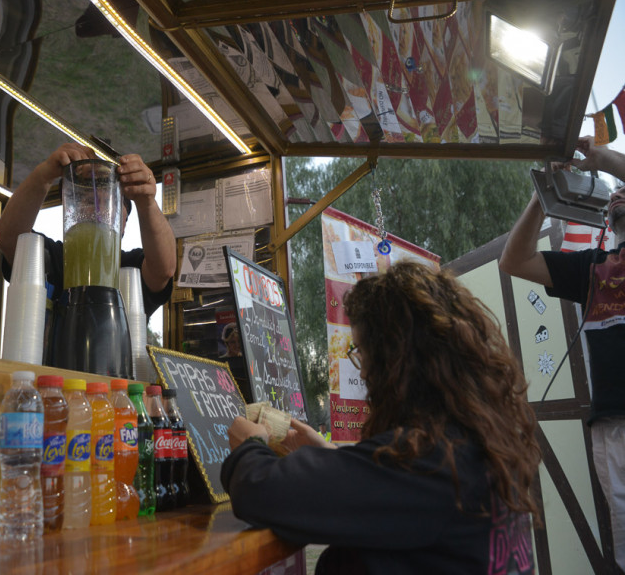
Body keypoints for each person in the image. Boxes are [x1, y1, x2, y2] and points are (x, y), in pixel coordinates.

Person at [222, 262, 541, 574]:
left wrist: (249, 446)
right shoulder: (475, 443)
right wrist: (332, 458)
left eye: (361, 351)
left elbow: (259, 491)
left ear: (395, 360)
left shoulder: (427, 461)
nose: (361, 371)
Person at [499, 135, 625, 572]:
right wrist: (544, 193)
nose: (620, 192)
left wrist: (603, 158)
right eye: (617, 193)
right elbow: (514, 261)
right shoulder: (595, 268)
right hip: (612, 427)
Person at [0, 142, 176, 318]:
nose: (99, 211)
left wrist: (147, 201)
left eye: (110, 205)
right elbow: (9, 239)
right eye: (89, 201)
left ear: (125, 223)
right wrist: (44, 174)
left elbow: (164, 270)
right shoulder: (54, 260)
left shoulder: (130, 269)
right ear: (71, 211)